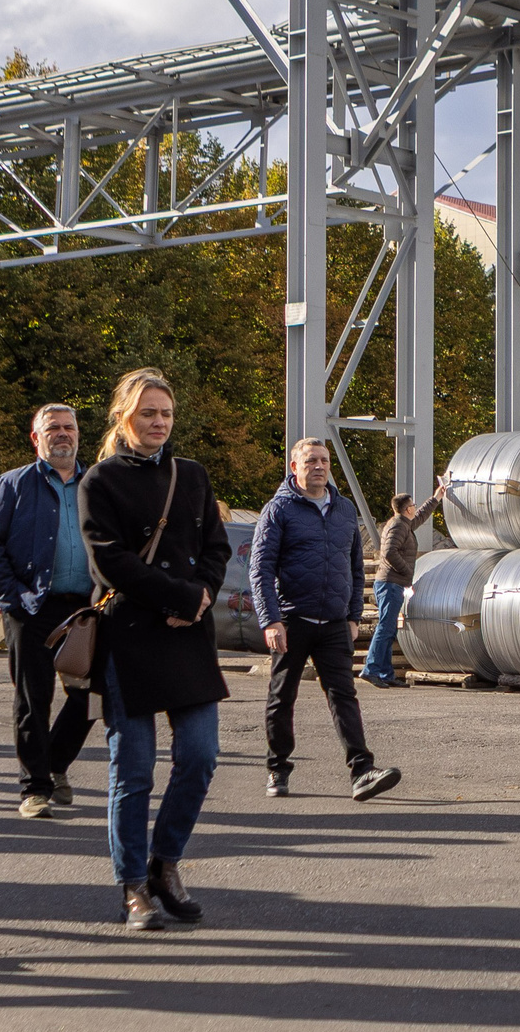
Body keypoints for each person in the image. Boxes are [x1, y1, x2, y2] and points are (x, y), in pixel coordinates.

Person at [78, 368, 233, 931]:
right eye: (148, 413)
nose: (158, 423)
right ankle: (132, 888)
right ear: (124, 418)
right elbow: (107, 561)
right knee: (134, 771)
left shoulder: (191, 476)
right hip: (130, 635)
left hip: (188, 631)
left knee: (201, 755)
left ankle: (165, 863)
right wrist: (177, 594)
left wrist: (200, 595)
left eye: (165, 414)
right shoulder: (99, 480)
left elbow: (216, 546)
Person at [250, 437, 401, 802]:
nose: (319, 466)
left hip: (334, 623)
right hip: (292, 619)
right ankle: (278, 768)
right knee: (281, 696)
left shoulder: (344, 509)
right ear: (294, 468)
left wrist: (352, 616)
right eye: (311, 461)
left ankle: (363, 771)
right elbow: (260, 568)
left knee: (343, 695)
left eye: (324, 460)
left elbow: (354, 567)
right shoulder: (279, 510)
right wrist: (271, 620)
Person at [0, 402, 98, 819]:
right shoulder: (12, 485)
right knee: (33, 699)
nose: (62, 434)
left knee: (93, 695)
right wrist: (13, 598)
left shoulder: (95, 484)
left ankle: (55, 764)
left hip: (86, 608)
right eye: (53, 429)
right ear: (36, 438)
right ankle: (35, 790)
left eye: (69, 427)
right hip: (32, 606)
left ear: (79, 434)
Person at [360, 480, 445, 687]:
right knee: (385, 628)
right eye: (413, 505)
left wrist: (436, 498)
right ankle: (370, 670)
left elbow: (421, 517)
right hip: (390, 583)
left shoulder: (403, 523)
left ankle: (386, 675)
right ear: (407, 509)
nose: (415, 508)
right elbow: (389, 552)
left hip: (393, 583)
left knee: (389, 629)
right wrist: (407, 573)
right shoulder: (398, 526)